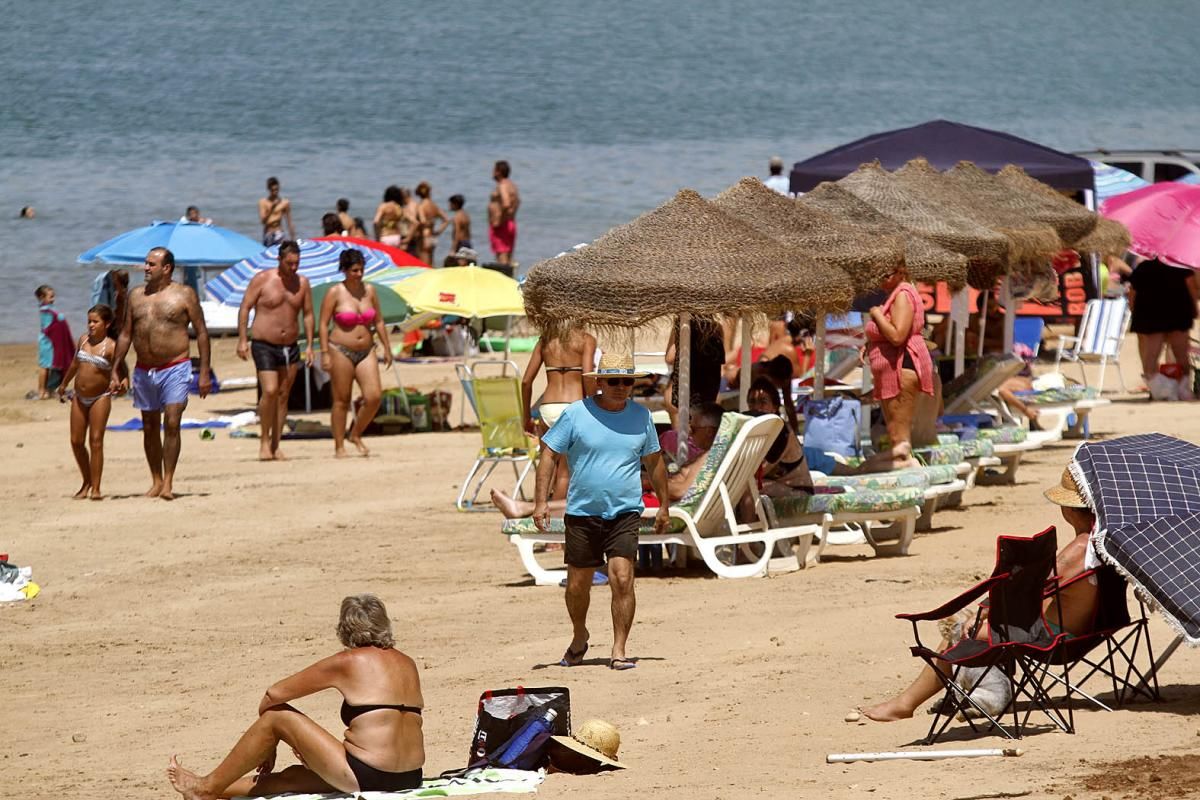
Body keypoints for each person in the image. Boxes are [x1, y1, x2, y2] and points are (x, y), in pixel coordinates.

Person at [858, 465, 1101, 722]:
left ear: (1069, 510)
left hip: (1052, 637)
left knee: (960, 633)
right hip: (1076, 629)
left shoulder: (1080, 548)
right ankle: (954, 693)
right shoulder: (1100, 543)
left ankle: (909, 704)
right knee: (976, 625)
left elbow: (1027, 588)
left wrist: (987, 609)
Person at [166, 594, 424, 798]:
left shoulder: (348, 661)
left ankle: (205, 789)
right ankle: (207, 787)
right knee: (290, 778)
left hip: (366, 774)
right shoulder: (407, 663)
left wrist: (269, 747)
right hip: (409, 777)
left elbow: (273, 695)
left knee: (277, 718)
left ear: (344, 629)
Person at [517, 353, 670, 671]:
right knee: (577, 586)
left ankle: (619, 649)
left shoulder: (642, 417)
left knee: (622, 578)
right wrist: (540, 502)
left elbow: (654, 462)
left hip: (625, 512)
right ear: (599, 382)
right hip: (583, 513)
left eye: (626, 381)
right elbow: (549, 455)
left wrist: (665, 505)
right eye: (613, 381)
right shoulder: (576, 414)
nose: (620, 387)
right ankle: (579, 635)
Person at [110, 247, 212, 500]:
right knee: (149, 426)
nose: (145, 268)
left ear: (166, 268)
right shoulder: (135, 296)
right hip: (145, 369)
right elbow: (125, 334)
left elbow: (201, 332)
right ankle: (155, 480)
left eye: (151, 264)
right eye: (145, 263)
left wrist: (205, 373)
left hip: (175, 366)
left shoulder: (184, 295)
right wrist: (115, 368)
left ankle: (168, 482)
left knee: (173, 422)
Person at [237, 240, 315, 461]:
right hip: (264, 343)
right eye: (289, 263)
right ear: (279, 260)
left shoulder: (302, 283)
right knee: (270, 391)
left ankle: (276, 444)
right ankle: (263, 441)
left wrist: (309, 345)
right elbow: (245, 307)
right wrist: (243, 339)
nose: (293, 268)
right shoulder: (263, 280)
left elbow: (308, 314)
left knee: (283, 395)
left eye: (297, 263)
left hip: (290, 345)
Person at [318, 249, 394, 458]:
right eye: (354, 270)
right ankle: (339, 445)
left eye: (361, 269)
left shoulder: (369, 291)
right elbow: (323, 324)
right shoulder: (335, 292)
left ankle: (356, 432)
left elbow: (378, 320)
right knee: (341, 399)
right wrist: (324, 352)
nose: (359, 274)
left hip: (367, 349)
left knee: (374, 396)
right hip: (340, 349)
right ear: (344, 270)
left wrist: (387, 347)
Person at [865, 265, 934, 468]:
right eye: (878, 273)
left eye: (887, 272)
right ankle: (908, 476)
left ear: (902, 271)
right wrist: (870, 344)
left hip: (900, 367)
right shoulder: (895, 294)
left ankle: (911, 480)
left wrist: (876, 314)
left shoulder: (902, 294)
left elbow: (897, 336)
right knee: (895, 433)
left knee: (899, 435)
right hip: (893, 369)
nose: (881, 277)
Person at [520, 327, 598, 501]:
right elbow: (587, 375)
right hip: (573, 407)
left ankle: (540, 508)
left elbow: (526, 382)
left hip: (548, 407)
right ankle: (555, 518)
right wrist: (595, 407)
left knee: (546, 466)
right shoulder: (586, 340)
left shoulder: (545, 341)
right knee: (564, 474)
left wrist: (526, 416)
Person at [57, 304, 121, 500]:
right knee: (76, 441)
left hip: (100, 397)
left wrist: (119, 382)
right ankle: (86, 481)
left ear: (107, 324)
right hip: (78, 396)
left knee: (95, 442)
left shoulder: (111, 346)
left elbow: (121, 372)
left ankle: (96, 488)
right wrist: (64, 383)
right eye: (89, 322)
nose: (91, 325)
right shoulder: (83, 340)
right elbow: (76, 364)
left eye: (95, 322)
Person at [1127, 256, 1198, 389]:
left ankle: (1157, 389)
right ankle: (1183, 389)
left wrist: (1134, 310)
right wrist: (1194, 309)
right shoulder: (1180, 266)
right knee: (1181, 354)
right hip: (1178, 312)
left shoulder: (1143, 267)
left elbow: (1132, 293)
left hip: (1152, 315)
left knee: (1152, 355)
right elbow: (1191, 287)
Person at [34, 285, 72, 400]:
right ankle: (41, 390)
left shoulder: (49, 308)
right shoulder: (45, 310)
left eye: (53, 296)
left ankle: (47, 389)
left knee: (49, 366)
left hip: (51, 343)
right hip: (47, 342)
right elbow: (48, 328)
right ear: (42, 297)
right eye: (50, 297)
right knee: (44, 366)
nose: (53, 299)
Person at [489, 160, 519, 266]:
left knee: (502, 257)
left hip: (502, 225)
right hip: (510, 223)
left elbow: (506, 203)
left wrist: (499, 220)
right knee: (508, 258)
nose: (492, 172)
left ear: (498, 172)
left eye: (493, 170)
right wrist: (510, 215)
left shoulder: (502, 185)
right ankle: (509, 281)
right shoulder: (512, 186)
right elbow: (517, 202)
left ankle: (503, 280)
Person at [413, 182, 448, 266]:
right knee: (431, 264)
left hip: (424, 237)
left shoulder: (420, 206)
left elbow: (422, 221)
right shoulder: (433, 205)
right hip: (432, 236)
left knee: (424, 266)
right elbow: (446, 219)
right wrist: (438, 231)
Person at [259, 177, 295, 246]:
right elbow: (263, 221)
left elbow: (289, 222)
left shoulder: (284, 202)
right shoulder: (263, 202)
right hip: (268, 233)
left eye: (276, 190)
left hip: (279, 233)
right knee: (268, 255)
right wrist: (271, 209)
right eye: (272, 190)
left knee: (281, 254)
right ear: (268, 189)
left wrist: (293, 238)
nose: (274, 192)